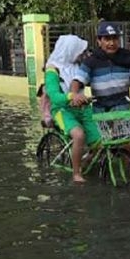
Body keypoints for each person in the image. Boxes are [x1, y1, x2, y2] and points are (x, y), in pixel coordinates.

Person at [43, 34, 101, 183]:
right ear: (70, 50)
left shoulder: (78, 67)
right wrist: (71, 96)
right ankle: (76, 173)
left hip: (83, 109)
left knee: (102, 140)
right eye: (79, 51)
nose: (82, 54)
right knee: (79, 135)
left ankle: (86, 159)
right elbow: (54, 96)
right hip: (62, 110)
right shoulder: (52, 70)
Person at [74, 21, 130, 112]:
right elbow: (77, 81)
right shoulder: (91, 61)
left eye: (115, 38)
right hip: (100, 110)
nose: (112, 43)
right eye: (107, 39)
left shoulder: (127, 57)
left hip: (122, 108)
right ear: (99, 41)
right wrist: (75, 95)